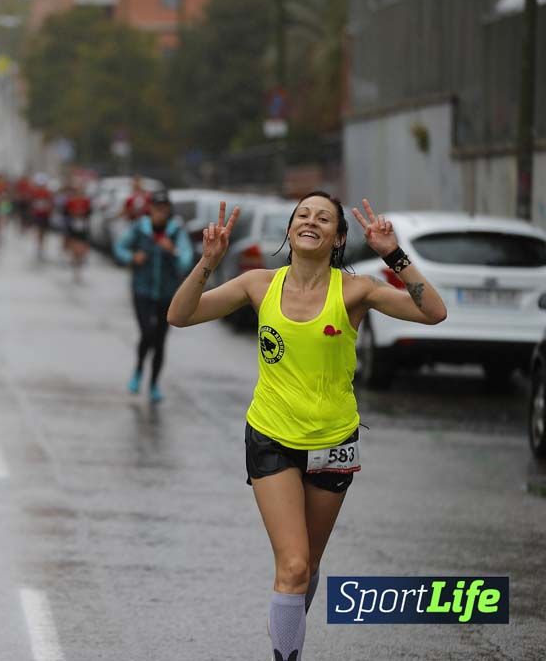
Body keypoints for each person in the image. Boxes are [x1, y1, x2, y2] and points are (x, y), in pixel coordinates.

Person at [166, 193, 447, 661]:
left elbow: (433, 312)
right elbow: (179, 315)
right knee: (293, 565)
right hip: (271, 437)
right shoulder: (258, 284)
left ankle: (288, 630)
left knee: (308, 567)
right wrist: (207, 262)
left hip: (334, 443)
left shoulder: (356, 291)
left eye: (323, 218)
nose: (310, 222)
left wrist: (393, 256)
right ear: (290, 230)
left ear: (337, 238)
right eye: (302, 215)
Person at [113, 189, 194, 403]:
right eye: (156, 208)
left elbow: (186, 260)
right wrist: (132, 257)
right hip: (142, 291)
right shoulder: (140, 229)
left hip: (167, 294)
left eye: (164, 208)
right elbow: (119, 247)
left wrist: (172, 251)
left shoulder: (176, 232)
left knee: (160, 340)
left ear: (168, 210)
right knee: (147, 333)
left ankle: (154, 384)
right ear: (150, 209)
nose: (160, 212)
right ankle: (139, 370)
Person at [62, 181, 93, 282]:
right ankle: (76, 269)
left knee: (82, 249)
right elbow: (65, 213)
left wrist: (83, 214)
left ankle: (79, 263)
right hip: (73, 226)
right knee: (75, 249)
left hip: (83, 227)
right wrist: (73, 214)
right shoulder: (70, 201)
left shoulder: (86, 201)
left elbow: (90, 212)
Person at [29, 175, 54, 260]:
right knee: (38, 231)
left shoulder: (47, 193)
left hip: (45, 215)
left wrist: (48, 209)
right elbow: (32, 203)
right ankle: (39, 248)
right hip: (38, 215)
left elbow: (51, 203)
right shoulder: (35, 192)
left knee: (43, 232)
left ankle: (41, 248)